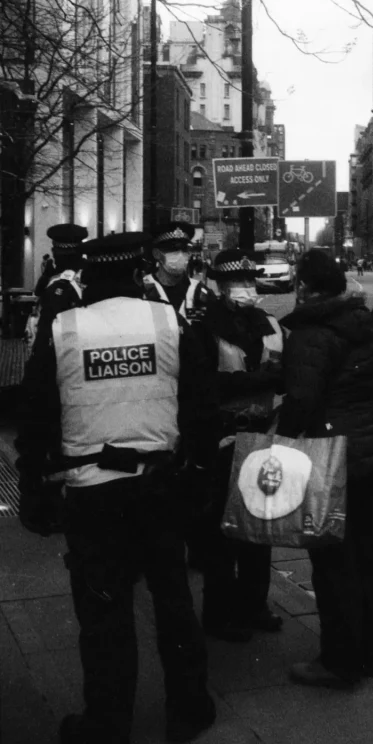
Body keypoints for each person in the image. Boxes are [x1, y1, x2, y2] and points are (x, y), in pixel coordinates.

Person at [15, 231, 216, 744]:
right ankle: (188, 711)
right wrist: (194, 471)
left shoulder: (64, 328)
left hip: (92, 490)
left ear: (86, 278)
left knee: (103, 609)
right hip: (159, 485)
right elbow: (198, 402)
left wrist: (34, 485)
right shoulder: (166, 320)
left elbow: (36, 412)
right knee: (172, 599)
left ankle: (106, 724)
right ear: (136, 274)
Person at [276, 248, 373, 688]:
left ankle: (338, 660)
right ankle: (367, 653)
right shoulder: (361, 323)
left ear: (304, 285)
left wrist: (282, 441)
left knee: (332, 559)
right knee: (364, 554)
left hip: (328, 456)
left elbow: (302, 399)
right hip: (367, 449)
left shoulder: (311, 332)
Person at [201, 248, 285, 642]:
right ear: (220, 287)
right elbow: (204, 385)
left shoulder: (268, 322)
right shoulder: (204, 326)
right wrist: (259, 380)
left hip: (264, 435)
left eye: (251, 281)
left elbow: (286, 373)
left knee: (260, 528)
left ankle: (255, 604)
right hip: (223, 438)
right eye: (238, 283)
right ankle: (220, 614)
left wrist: (275, 379)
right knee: (223, 533)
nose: (247, 289)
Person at [143, 221, 218, 573]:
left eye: (185, 250)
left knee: (197, 475)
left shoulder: (202, 295)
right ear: (158, 255)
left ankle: (197, 549)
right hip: (155, 396)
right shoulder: (141, 292)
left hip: (193, 397)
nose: (182, 257)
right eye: (175, 251)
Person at [27, 224, 87, 352]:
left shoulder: (57, 282)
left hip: (61, 350)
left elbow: (46, 331)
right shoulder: (89, 276)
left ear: (56, 252)